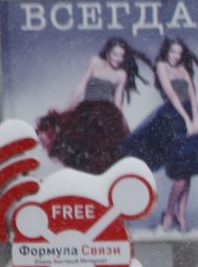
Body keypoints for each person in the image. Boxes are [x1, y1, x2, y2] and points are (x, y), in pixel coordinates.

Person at [120, 38, 198, 231]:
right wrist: (186, 119)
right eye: (173, 52)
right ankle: (169, 214)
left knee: (188, 170)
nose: (176, 56)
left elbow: (192, 95)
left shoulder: (183, 69)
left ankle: (181, 215)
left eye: (179, 53)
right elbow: (171, 94)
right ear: (166, 52)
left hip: (191, 115)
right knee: (181, 172)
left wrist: (195, 118)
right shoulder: (162, 66)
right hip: (172, 119)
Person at [37, 38, 142, 174]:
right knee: (80, 150)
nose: (118, 58)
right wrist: (68, 108)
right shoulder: (95, 62)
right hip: (86, 111)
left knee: (101, 155)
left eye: (121, 56)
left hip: (106, 115)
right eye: (115, 54)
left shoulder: (121, 74)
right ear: (108, 52)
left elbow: (118, 103)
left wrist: (121, 126)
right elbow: (81, 86)